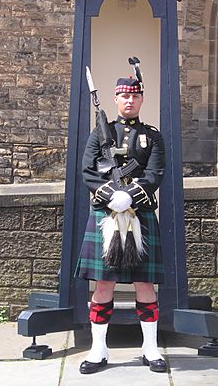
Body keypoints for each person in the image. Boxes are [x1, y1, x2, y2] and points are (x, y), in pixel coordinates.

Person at [75, 76, 167, 374]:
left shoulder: (152, 137)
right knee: (103, 283)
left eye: (135, 97)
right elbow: (88, 170)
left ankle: (150, 348)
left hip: (139, 212)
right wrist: (110, 195)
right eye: (124, 97)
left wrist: (129, 195)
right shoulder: (101, 133)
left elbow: (155, 175)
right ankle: (98, 350)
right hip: (106, 214)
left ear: (141, 100)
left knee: (144, 283)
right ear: (116, 99)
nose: (129, 101)